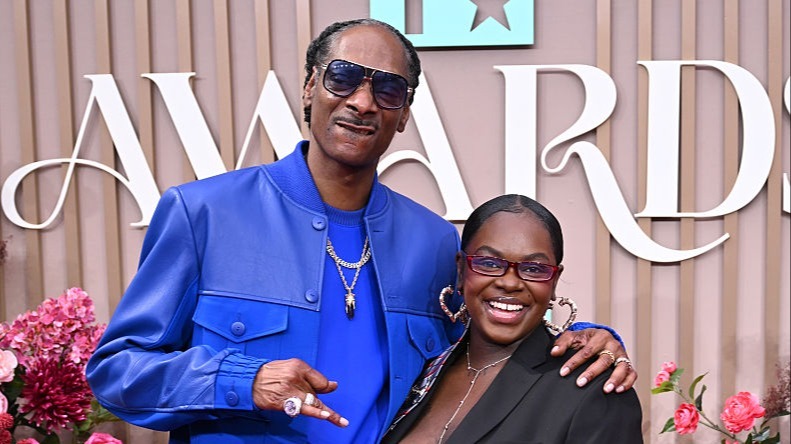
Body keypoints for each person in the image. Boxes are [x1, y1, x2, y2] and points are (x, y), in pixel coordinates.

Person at [85, 18, 636, 444]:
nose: (363, 102)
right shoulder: (202, 213)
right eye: (343, 78)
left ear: (404, 114)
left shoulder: (432, 242)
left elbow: (489, 332)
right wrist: (241, 380)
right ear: (309, 88)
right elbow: (117, 371)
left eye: (388, 90)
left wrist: (586, 336)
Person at [382, 194, 643, 443]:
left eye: (533, 269)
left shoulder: (596, 389)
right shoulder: (420, 372)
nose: (509, 282)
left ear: (553, 282)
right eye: (489, 263)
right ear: (461, 270)